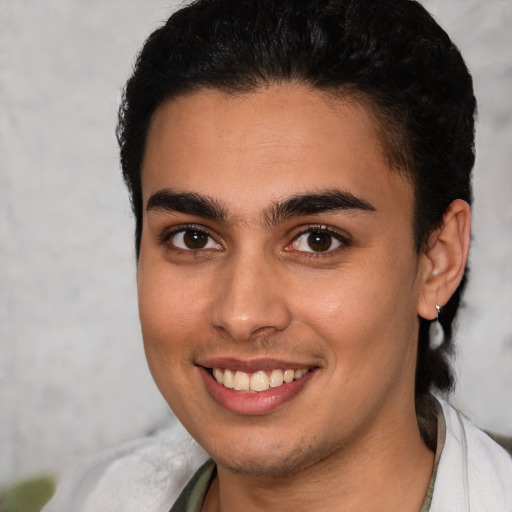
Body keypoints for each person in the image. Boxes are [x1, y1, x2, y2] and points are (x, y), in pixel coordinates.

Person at [43, 0, 512, 510]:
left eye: (318, 240)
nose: (241, 314)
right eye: (193, 238)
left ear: (436, 261)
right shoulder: (91, 497)